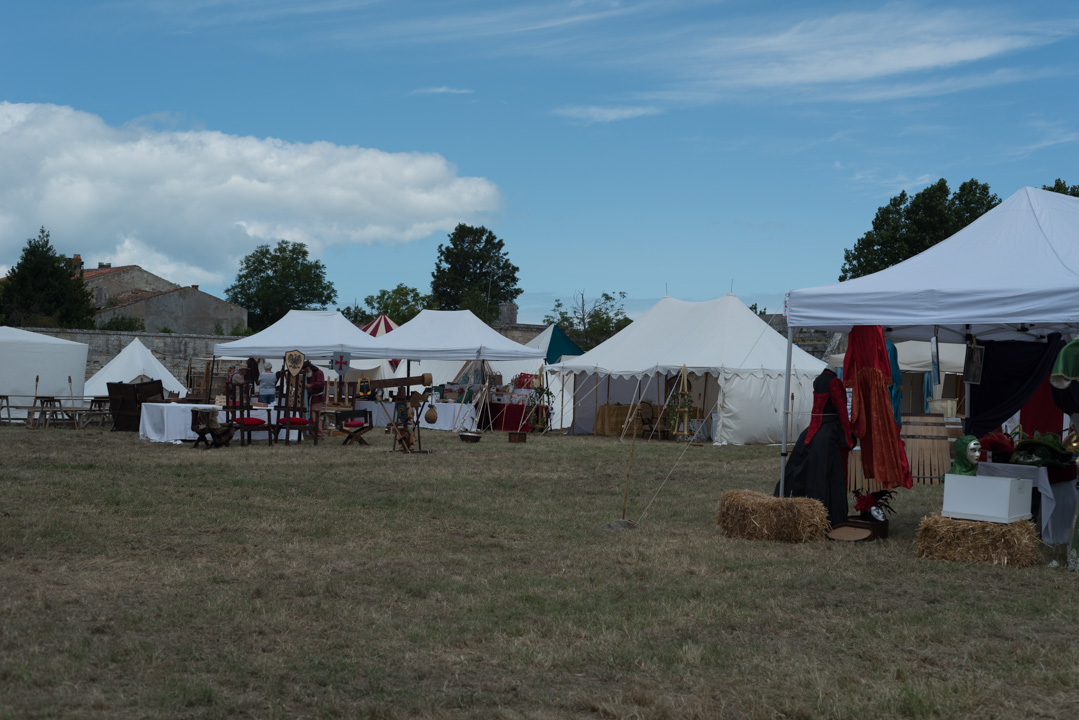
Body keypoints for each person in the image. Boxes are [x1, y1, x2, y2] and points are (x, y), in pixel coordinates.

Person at [777, 367, 852, 528]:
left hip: (814, 430)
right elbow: (842, 412)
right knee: (825, 474)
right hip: (828, 434)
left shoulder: (818, 380)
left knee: (808, 470)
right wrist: (847, 438)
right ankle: (830, 515)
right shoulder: (835, 383)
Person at [304, 360, 326, 440]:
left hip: (317, 398)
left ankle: (320, 435)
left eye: (305, 370)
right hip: (310, 398)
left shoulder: (319, 373)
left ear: (309, 367)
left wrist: (311, 385)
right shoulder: (307, 374)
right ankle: (313, 434)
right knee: (310, 417)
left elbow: (321, 384)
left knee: (315, 417)